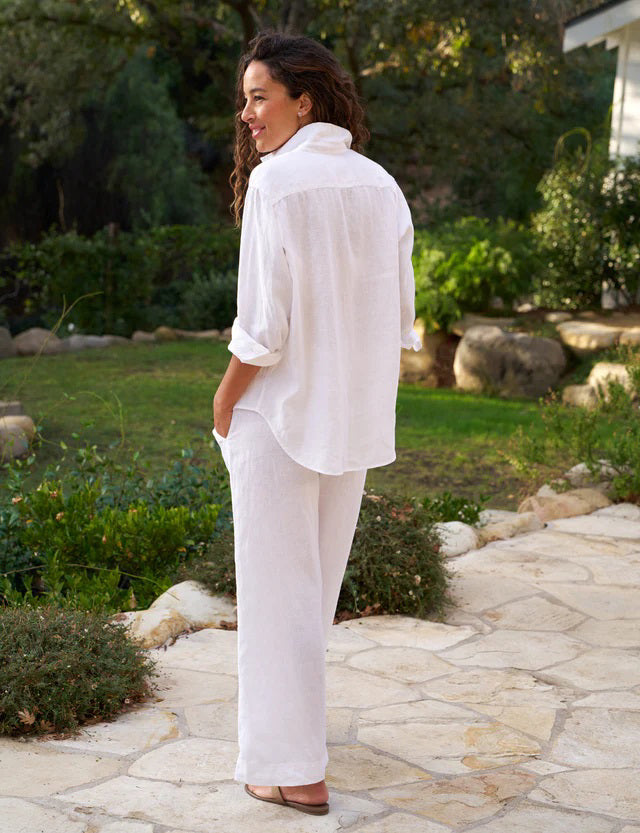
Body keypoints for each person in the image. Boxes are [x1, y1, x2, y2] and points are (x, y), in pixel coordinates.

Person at [212, 29, 421, 816]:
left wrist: (224, 400)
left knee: (278, 602)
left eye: (259, 97)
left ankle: (295, 769)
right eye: (244, 100)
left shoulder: (275, 185)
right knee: (310, 601)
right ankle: (285, 758)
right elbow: (400, 320)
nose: (247, 116)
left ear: (305, 100)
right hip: (350, 423)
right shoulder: (382, 186)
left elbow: (262, 331)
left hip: (279, 419)